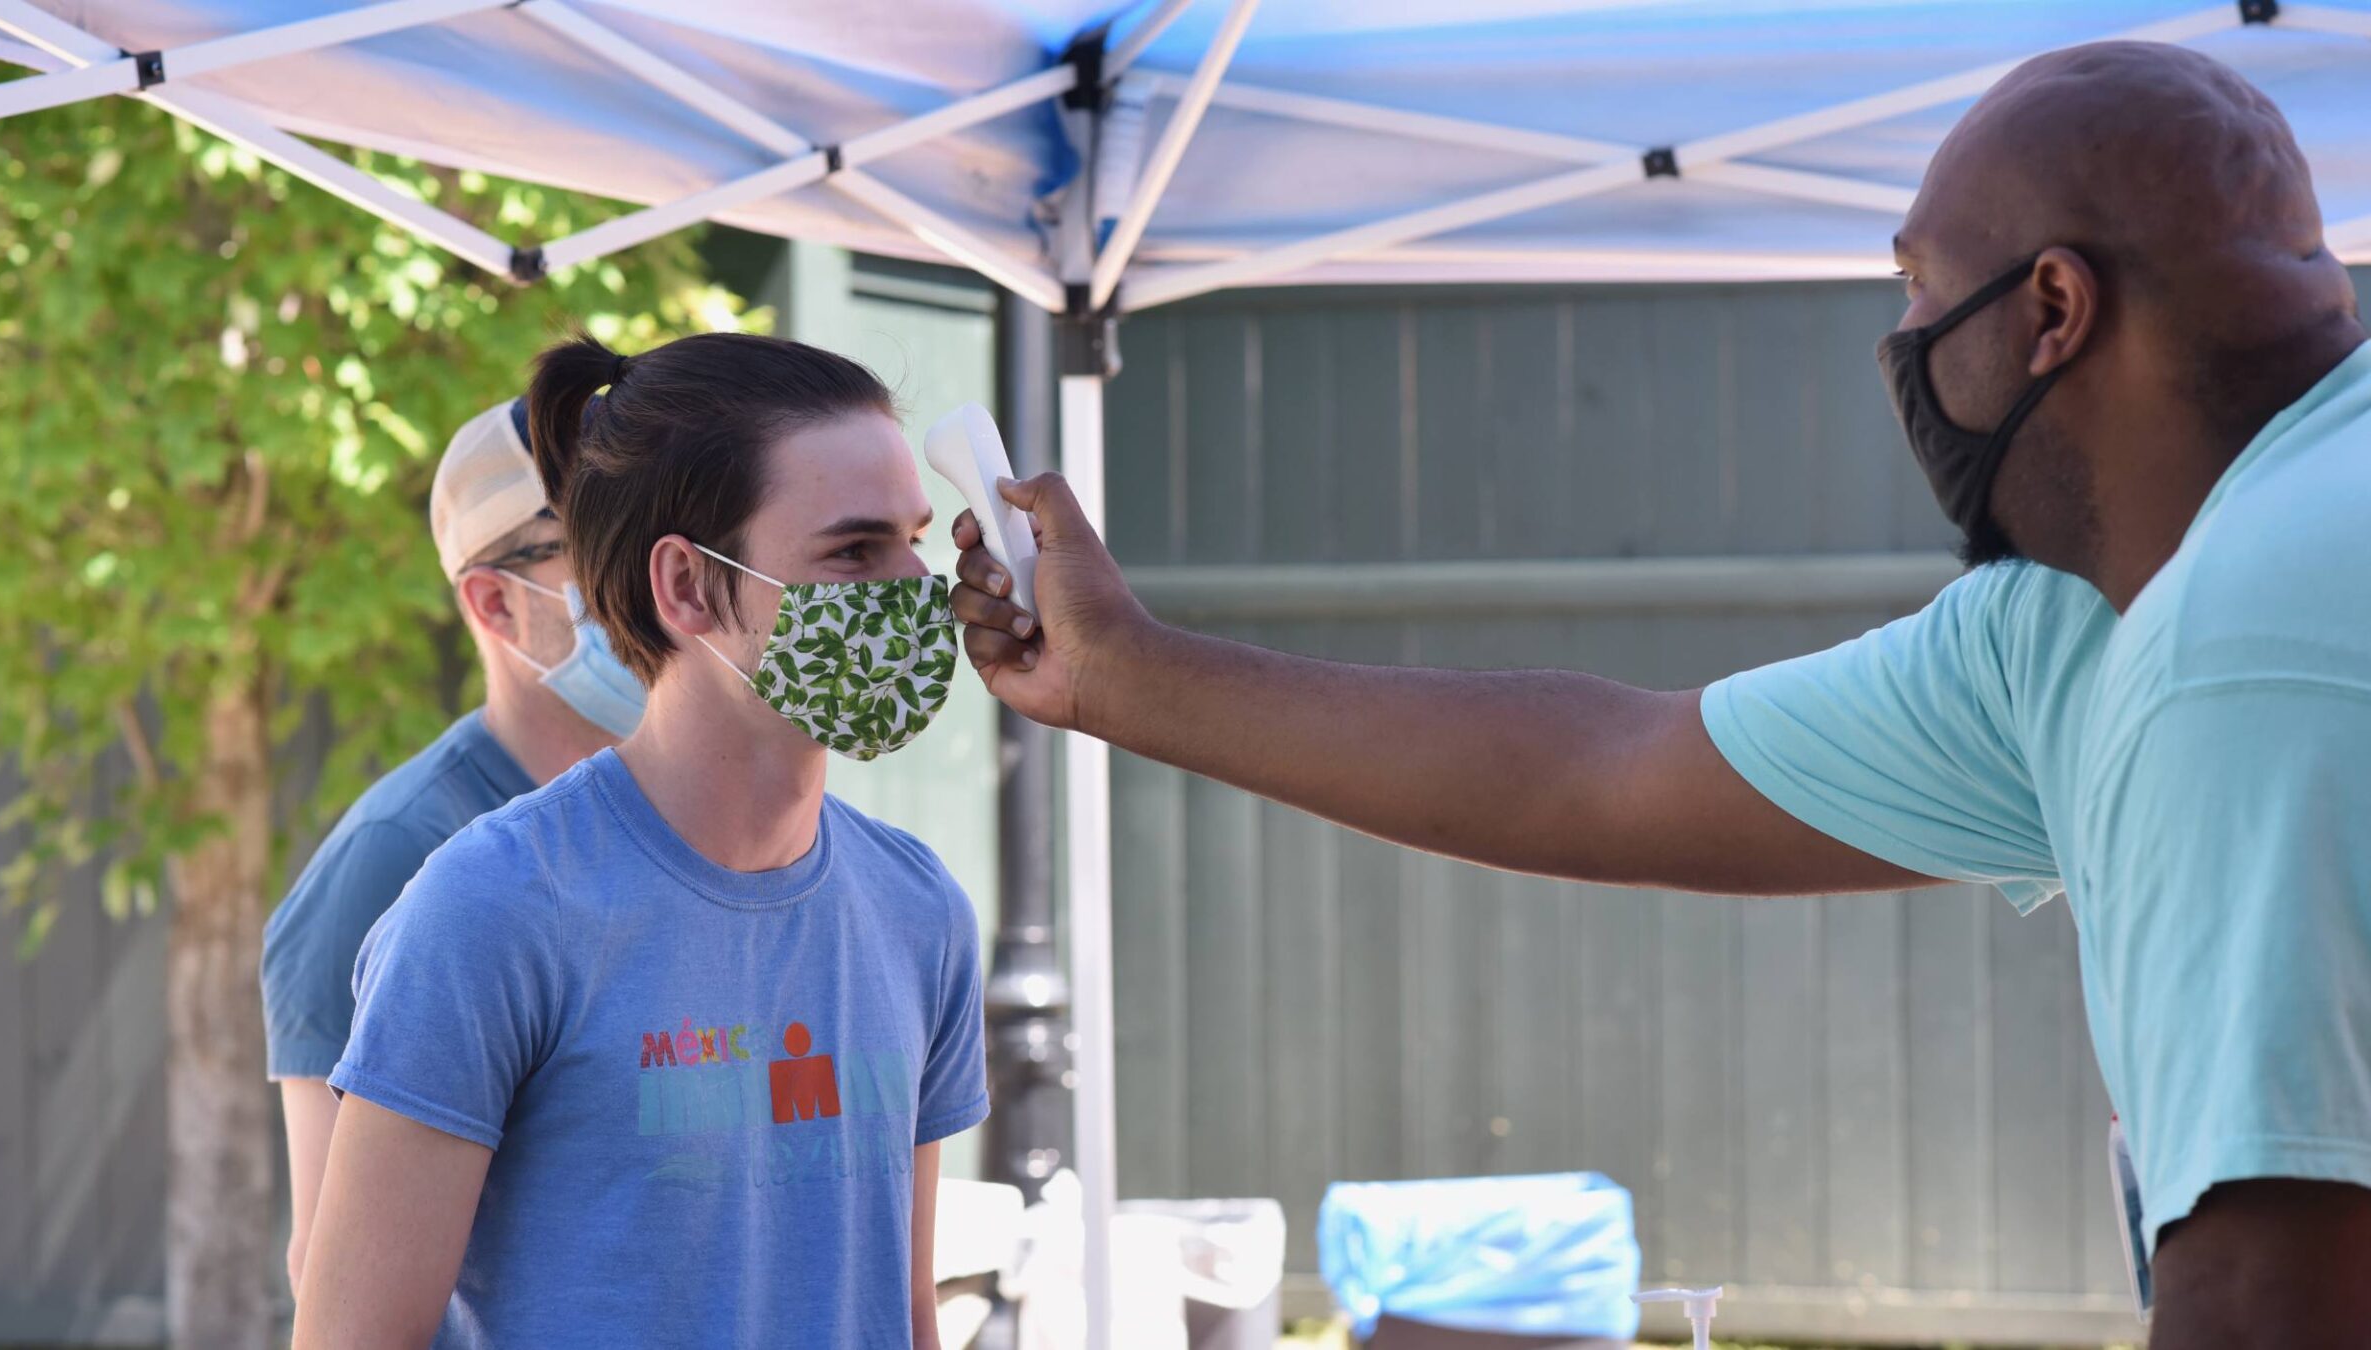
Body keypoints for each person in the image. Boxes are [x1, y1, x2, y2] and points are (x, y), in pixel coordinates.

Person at [948, 41, 2371, 1349]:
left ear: (2054, 307)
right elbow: (1605, 766)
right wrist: (1128, 674)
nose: (1905, 339)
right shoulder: (2082, 615)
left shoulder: (2243, 645)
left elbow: (2272, 1292)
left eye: (1920, 289)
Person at [294, 332, 987, 1350]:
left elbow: (902, 1313)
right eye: (852, 550)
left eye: (912, 540)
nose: (911, 588)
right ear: (688, 587)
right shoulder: (491, 910)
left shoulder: (919, 909)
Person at [261, 397, 645, 1294]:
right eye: (601, 545)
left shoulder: (689, 820)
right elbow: (334, 1272)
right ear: (494, 602)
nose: (650, 577)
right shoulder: (400, 859)